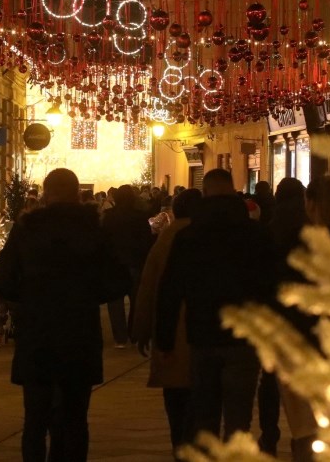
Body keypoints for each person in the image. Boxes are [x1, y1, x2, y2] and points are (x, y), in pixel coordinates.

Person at [0, 168, 131, 462]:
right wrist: (89, 295)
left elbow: (0, 279)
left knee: (35, 420)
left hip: (37, 334)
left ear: (46, 193)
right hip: (79, 333)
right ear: (77, 193)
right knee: (75, 419)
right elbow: (118, 280)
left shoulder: (27, 229)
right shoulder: (93, 230)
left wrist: (28, 297)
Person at [156, 169, 277, 443]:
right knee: (238, 418)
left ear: (206, 192)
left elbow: (171, 289)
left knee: (204, 415)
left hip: (203, 334)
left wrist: (165, 341)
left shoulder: (189, 236)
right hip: (244, 337)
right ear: (234, 190)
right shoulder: (257, 234)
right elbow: (271, 286)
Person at [275, 176, 330, 462]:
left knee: (305, 429)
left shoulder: (294, 244)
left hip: (300, 343)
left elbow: (281, 294)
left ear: (308, 203)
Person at [131, 189, 202, 455]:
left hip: (169, 334)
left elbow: (148, 288)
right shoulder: (207, 239)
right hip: (201, 335)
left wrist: (141, 329)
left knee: (175, 400)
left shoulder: (164, 241)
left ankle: (179, 446)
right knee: (201, 402)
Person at [256, 177, 307, 456]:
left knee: (270, 381)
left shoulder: (269, 232)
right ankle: (305, 434)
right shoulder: (312, 231)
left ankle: (269, 435)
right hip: (307, 317)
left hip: (274, 317)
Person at [101, 184, 156, 347]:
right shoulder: (140, 217)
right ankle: (134, 333)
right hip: (135, 262)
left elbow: (104, 240)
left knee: (115, 301)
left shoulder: (109, 216)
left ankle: (120, 337)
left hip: (114, 264)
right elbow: (146, 241)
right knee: (136, 300)